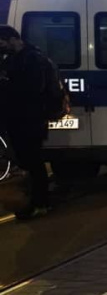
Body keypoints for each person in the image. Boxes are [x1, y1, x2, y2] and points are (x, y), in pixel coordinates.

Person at [0, 25, 62, 220]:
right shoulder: (15, 59)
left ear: (12, 39)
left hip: (30, 118)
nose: (1, 47)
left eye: (2, 43)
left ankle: (40, 202)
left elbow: (32, 90)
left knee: (33, 161)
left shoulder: (33, 59)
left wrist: (6, 84)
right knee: (27, 161)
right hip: (19, 118)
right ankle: (34, 201)